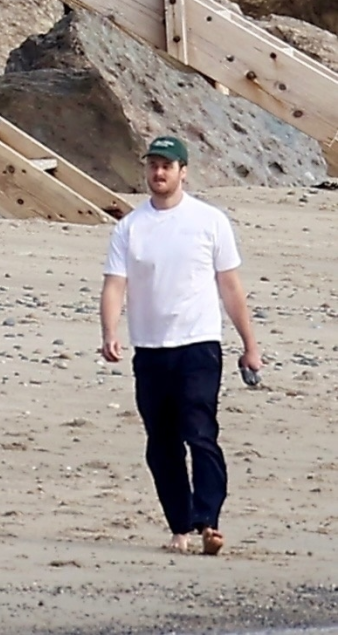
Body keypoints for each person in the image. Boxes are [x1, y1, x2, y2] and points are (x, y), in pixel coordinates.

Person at [99, 135, 262, 555]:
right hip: (151, 349)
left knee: (200, 433)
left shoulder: (210, 221)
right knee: (161, 444)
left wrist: (250, 344)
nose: (159, 173)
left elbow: (230, 287)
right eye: (153, 165)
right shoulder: (130, 227)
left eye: (167, 166)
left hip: (199, 345)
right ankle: (179, 527)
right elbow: (115, 284)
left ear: (182, 172)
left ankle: (208, 520)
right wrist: (109, 332)